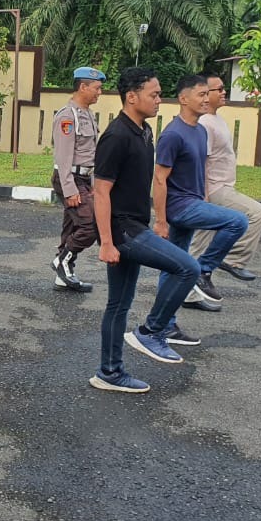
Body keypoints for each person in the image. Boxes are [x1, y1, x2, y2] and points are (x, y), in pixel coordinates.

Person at [89, 67, 200, 394]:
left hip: (135, 225)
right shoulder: (117, 136)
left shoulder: (143, 131)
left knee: (119, 304)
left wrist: (159, 219)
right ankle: (152, 331)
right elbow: (101, 192)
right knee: (187, 267)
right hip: (123, 232)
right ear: (131, 96)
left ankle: (109, 372)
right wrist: (106, 243)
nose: (159, 100)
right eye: (153, 94)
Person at [153, 74, 248, 330]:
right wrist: (161, 221)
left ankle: (163, 325)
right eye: (201, 95)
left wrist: (204, 197)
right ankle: (203, 271)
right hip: (180, 208)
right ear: (184, 99)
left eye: (208, 94)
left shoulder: (199, 131)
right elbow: (159, 179)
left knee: (172, 268)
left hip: (193, 202)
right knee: (238, 220)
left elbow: (201, 169)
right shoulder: (173, 134)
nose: (207, 99)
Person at [187, 73, 261, 287]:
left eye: (224, 89)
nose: (224, 93)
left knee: (199, 245)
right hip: (214, 189)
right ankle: (232, 259)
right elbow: (201, 160)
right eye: (219, 89)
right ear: (205, 94)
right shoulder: (205, 123)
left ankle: (191, 287)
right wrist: (202, 195)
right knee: (256, 213)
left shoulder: (216, 119)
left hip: (220, 187)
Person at [50, 66, 105, 293]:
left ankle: (64, 275)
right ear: (83, 87)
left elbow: (88, 155)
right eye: (97, 88)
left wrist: (90, 184)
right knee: (90, 225)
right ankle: (61, 261)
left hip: (83, 178)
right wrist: (70, 188)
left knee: (72, 225)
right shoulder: (67, 116)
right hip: (70, 178)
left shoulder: (88, 115)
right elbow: (63, 156)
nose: (99, 92)